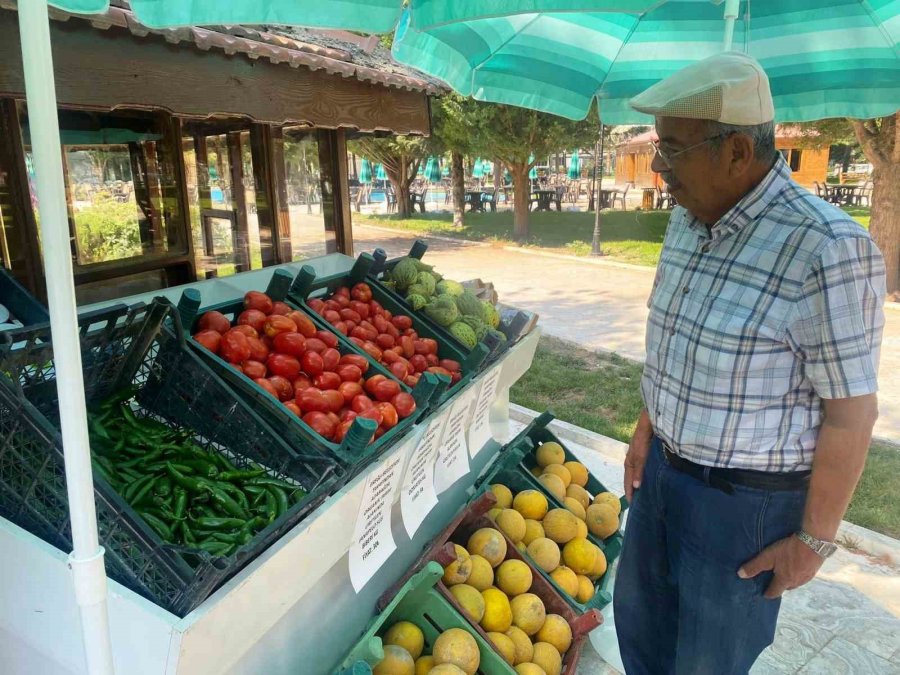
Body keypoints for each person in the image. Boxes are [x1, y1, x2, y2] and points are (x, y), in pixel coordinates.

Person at [613, 52, 886, 674]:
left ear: (736, 151)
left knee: (709, 661)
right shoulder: (687, 218)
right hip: (661, 476)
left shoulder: (827, 248)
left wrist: (814, 543)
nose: (659, 165)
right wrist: (645, 430)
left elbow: (851, 413)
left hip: (742, 509)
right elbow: (675, 343)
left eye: (674, 148)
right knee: (641, 635)